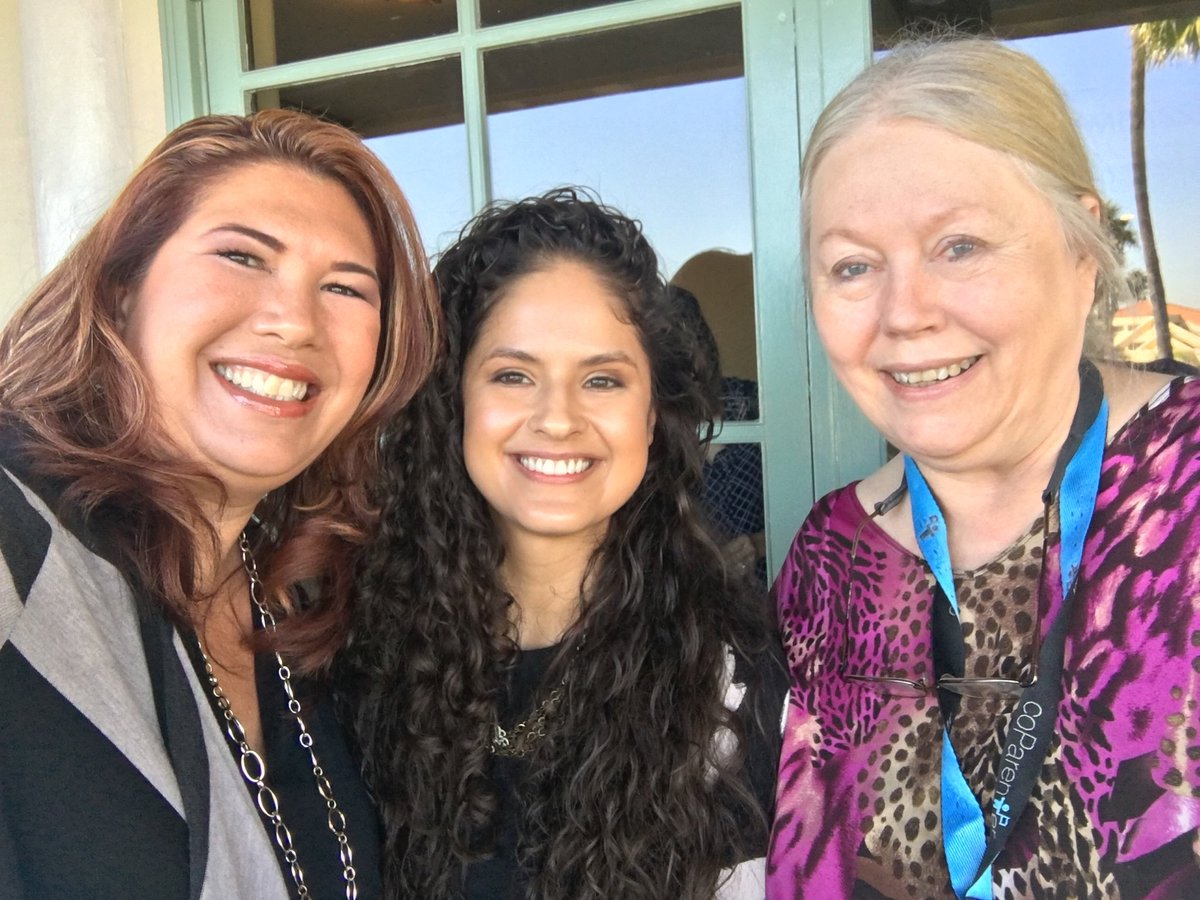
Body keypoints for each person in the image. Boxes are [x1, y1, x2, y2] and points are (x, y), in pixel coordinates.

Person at [767, 36, 1200, 898]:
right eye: (853, 266)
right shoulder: (830, 557)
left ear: (1083, 252)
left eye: (959, 246)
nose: (905, 313)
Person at [0, 109, 440, 899]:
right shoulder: (16, 535)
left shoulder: (295, 599)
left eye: (345, 287)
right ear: (123, 286)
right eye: (242, 256)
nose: (294, 322)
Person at [339, 188, 788, 899]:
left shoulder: (731, 680)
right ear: (456, 402)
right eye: (513, 375)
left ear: (650, 416)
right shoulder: (361, 659)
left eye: (602, 379)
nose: (557, 419)